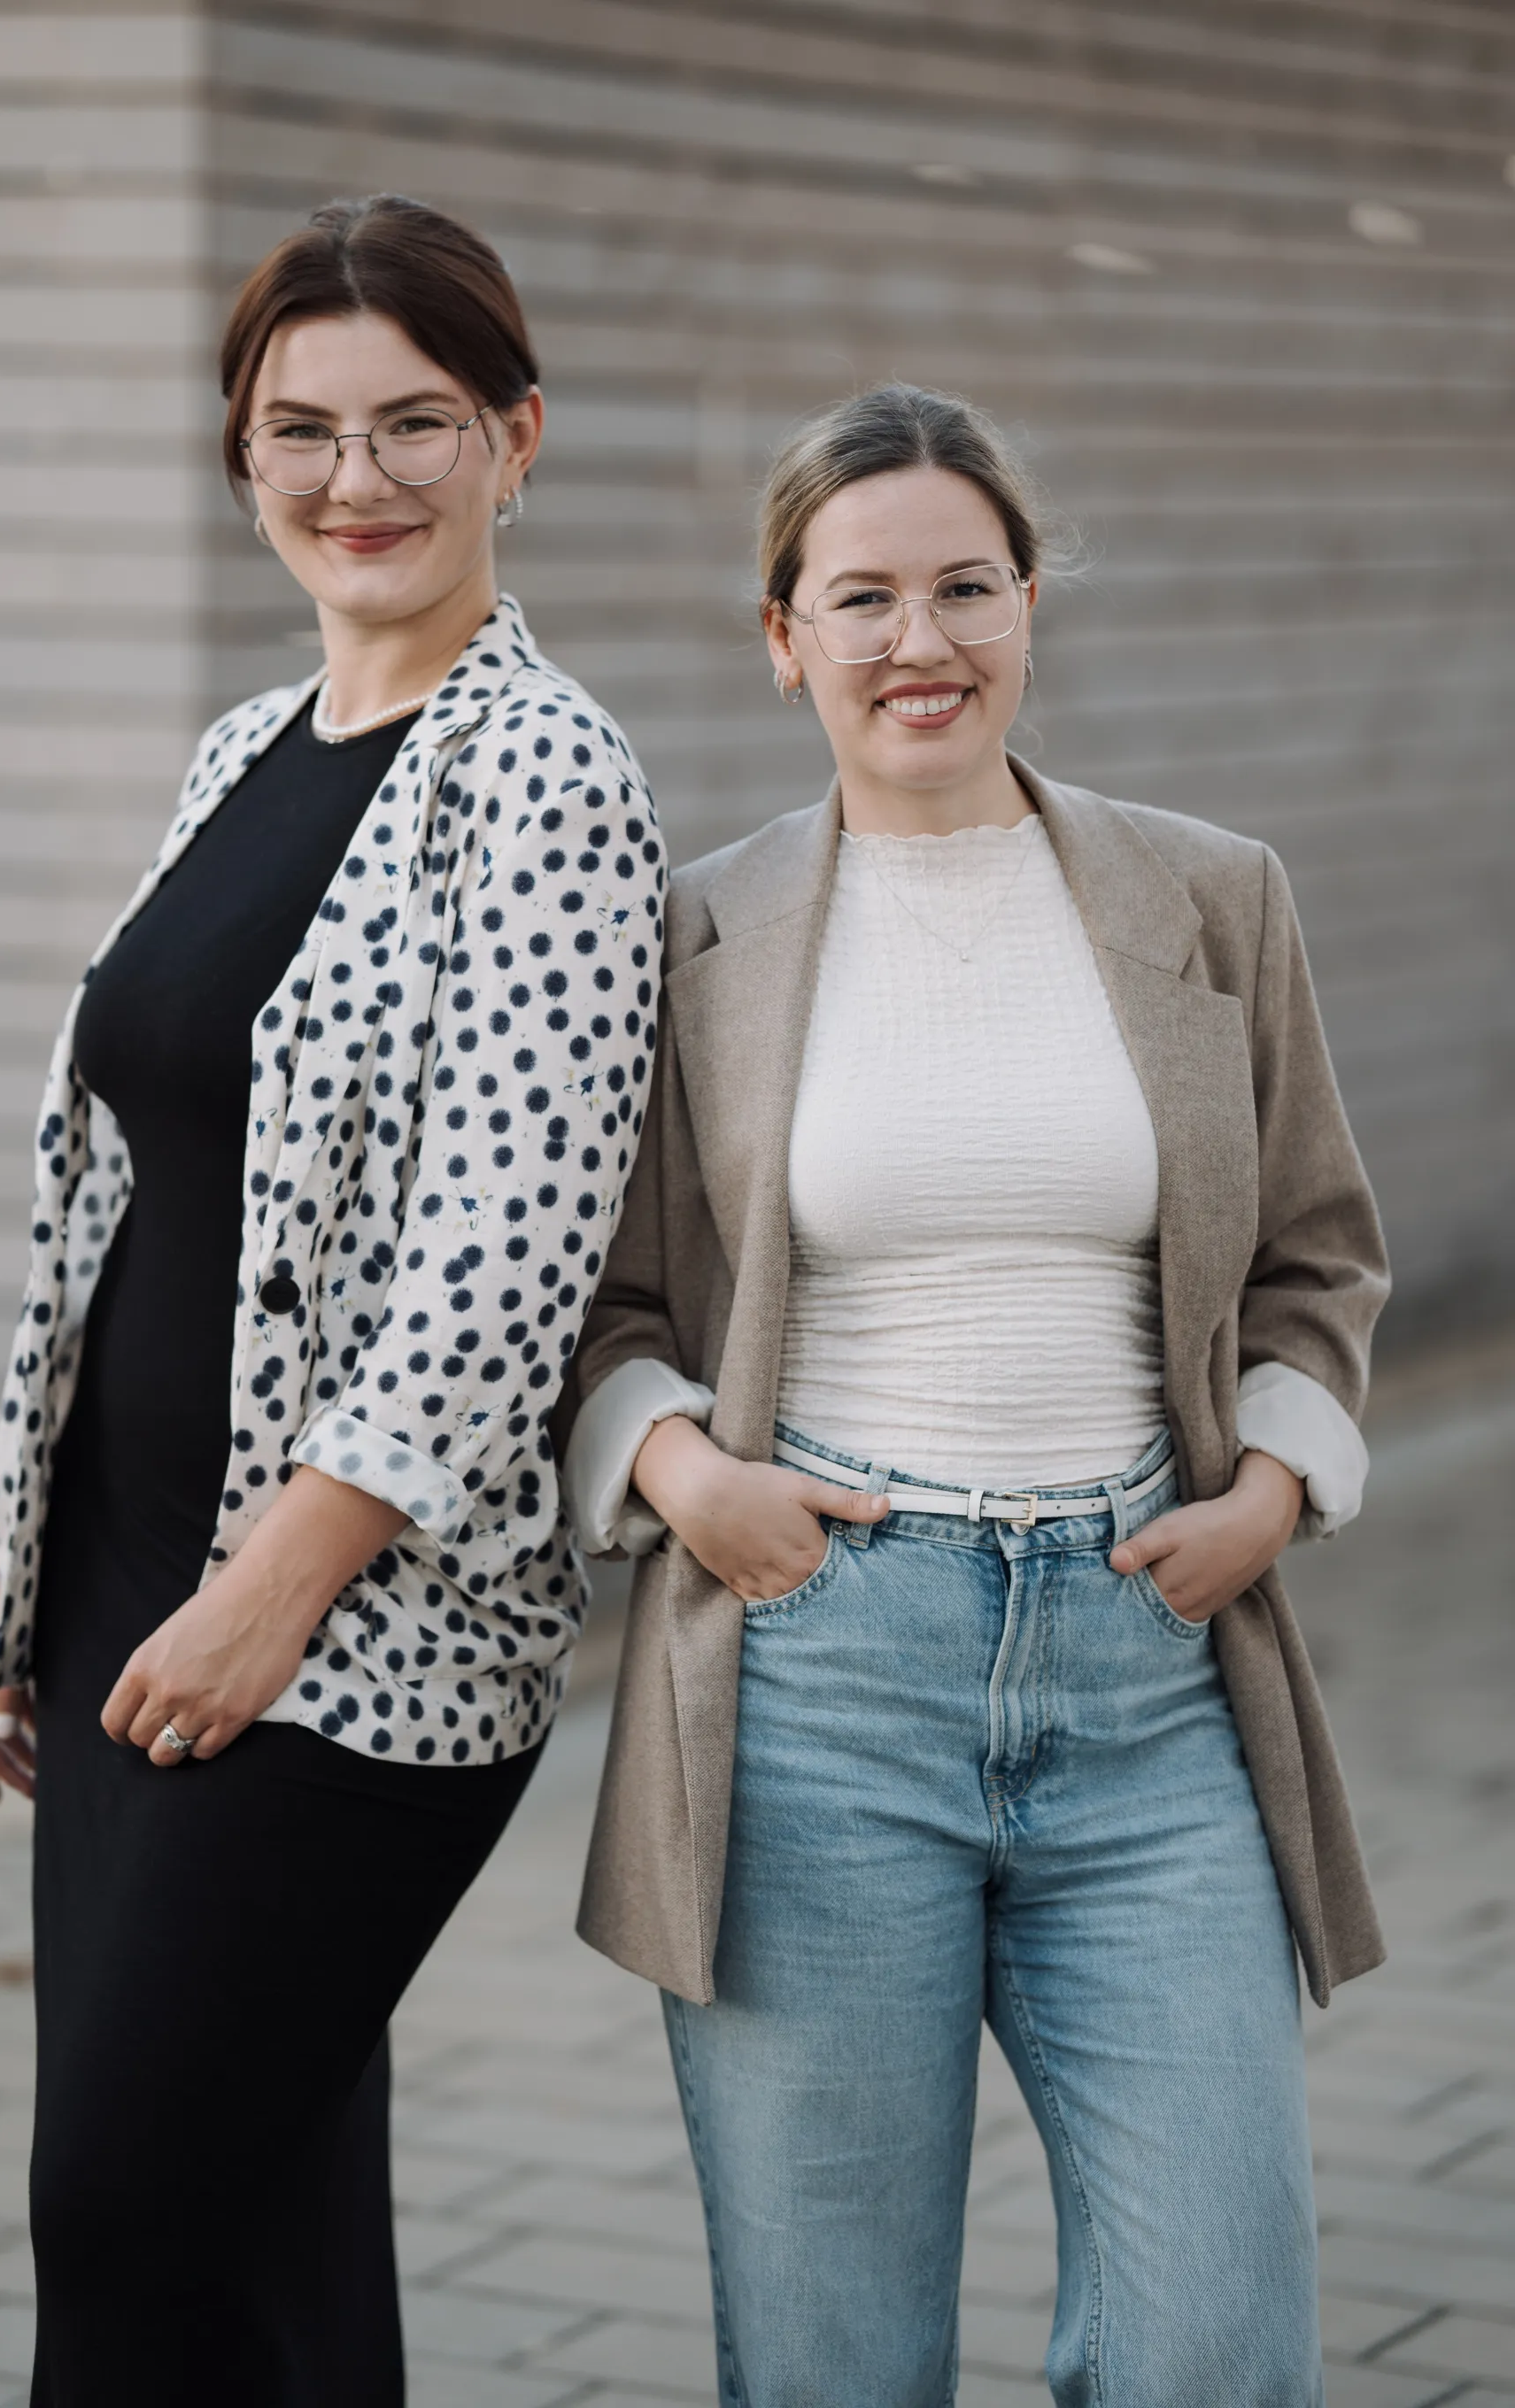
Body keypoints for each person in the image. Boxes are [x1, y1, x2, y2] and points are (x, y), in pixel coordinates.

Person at [560, 382, 1387, 2408]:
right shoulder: (699, 931)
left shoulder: (1212, 897)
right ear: (784, 635)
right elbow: (606, 1304)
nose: (916, 641)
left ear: (1031, 608)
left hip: (1150, 1668)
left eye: (964, 587)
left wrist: (1274, 1496)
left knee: (1218, 2338)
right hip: (819, 1675)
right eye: (861, 597)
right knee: (837, 2355)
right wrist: (683, 1473)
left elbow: (1318, 1255)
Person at [0, 193, 663, 2407]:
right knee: (267, 2226)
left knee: (126, 2212)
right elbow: (115, 1192)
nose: (358, 479)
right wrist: (12, 1544)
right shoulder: (244, 751)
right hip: (129, 1576)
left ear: (517, 438)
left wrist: (272, 1595)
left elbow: (502, 1254)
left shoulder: (550, 779)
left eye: (416, 424)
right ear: (240, 453)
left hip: (347, 1630)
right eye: (302, 428)